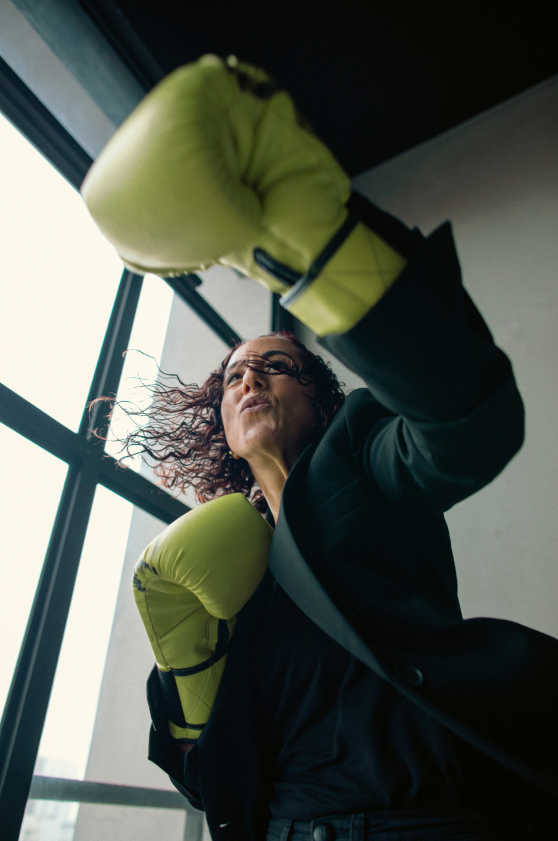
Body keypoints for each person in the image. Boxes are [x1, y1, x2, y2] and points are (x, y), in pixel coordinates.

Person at [82, 55, 558, 841]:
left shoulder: (360, 457)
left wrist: (315, 241)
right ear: (222, 429)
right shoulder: (217, 556)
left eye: (277, 365)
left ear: (321, 395)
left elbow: (467, 425)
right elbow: (209, 782)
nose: (250, 379)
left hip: (430, 819)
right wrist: (182, 661)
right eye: (234, 374)